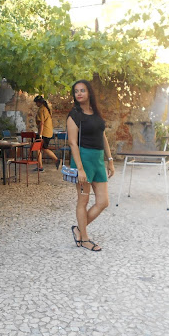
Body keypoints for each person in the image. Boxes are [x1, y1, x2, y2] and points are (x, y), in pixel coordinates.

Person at [66, 80, 115, 251]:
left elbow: (103, 137)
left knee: (103, 202)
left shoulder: (95, 113)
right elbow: (73, 143)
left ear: (89, 93)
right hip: (83, 160)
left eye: (82, 90)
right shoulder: (74, 115)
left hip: (98, 160)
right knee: (83, 200)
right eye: (76, 91)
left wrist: (110, 160)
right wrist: (80, 169)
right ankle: (85, 239)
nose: (79, 93)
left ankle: (79, 230)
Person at [33, 95, 61, 171]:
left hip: (43, 132)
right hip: (48, 132)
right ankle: (55, 160)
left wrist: (40, 135)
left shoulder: (41, 110)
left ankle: (41, 166)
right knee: (43, 148)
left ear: (39, 102)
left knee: (38, 148)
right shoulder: (47, 109)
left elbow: (41, 123)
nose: (36, 104)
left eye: (36, 103)